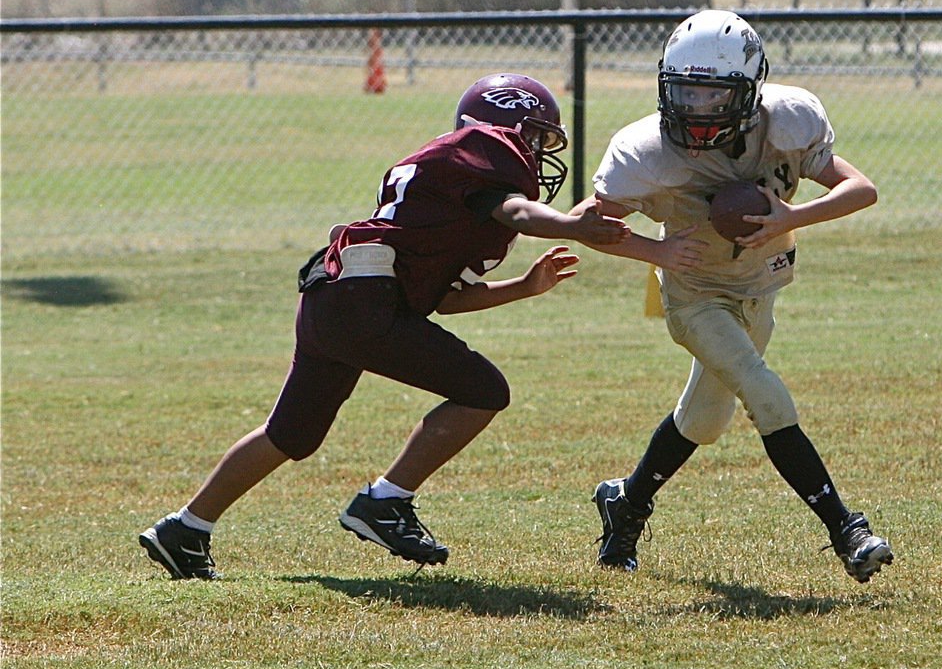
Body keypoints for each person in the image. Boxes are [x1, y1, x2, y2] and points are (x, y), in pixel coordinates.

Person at [139, 73, 630, 580]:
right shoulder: (487, 151)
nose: (535, 151)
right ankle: (385, 502)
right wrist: (571, 226)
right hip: (364, 302)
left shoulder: (453, 186)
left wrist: (524, 287)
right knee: (483, 390)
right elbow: (515, 209)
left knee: (291, 433)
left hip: (336, 298)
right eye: (533, 136)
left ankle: (185, 528)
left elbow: (448, 300)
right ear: (501, 125)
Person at [570, 10, 894, 583]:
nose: (697, 107)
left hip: (758, 288)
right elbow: (586, 223)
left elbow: (860, 189)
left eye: (714, 93)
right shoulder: (647, 150)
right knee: (765, 394)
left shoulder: (788, 121)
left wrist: (793, 217)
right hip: (695, 298)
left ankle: (627, 501)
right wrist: (657, 254)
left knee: (704, 420)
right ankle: (849, 531)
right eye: (686, 91)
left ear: (749, 89)